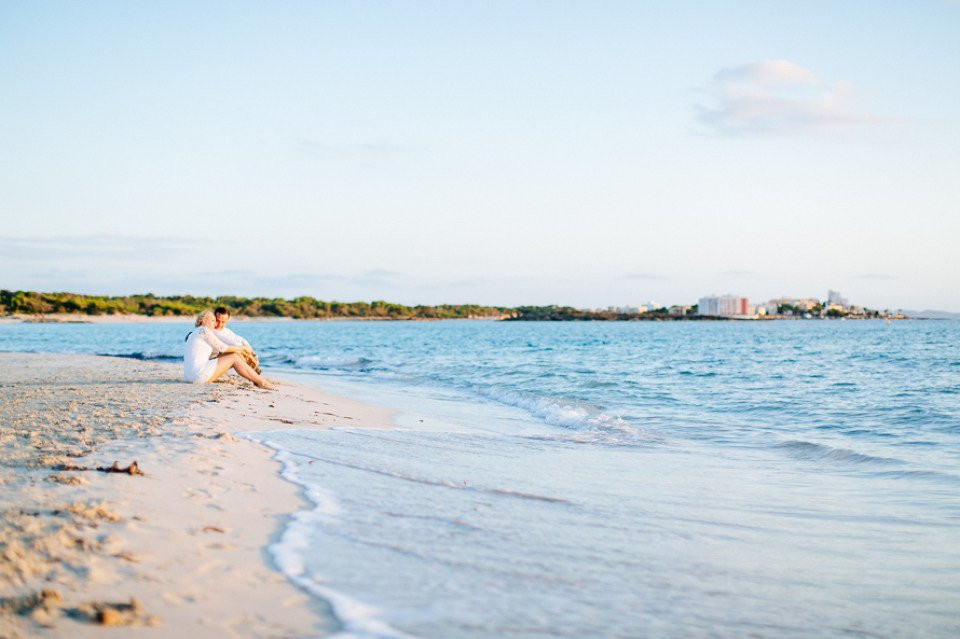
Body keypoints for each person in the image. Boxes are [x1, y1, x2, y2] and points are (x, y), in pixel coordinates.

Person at [184, 310, 276, 389]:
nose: (215, 324)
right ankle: (262, 382)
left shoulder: (194, 333)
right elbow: (222, 348)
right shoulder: (204, 330)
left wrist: (248, 355)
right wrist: (244, 348)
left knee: (233, 355)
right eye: (213, 320)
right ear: (204, 321)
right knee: (234, 357)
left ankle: (255, 379)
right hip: (198, 376)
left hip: (190, 377)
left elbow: (223, 350)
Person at [213, 306, 261, 374]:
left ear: (227, 320)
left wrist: (254, 355)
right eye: (217, 321)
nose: (219, 325)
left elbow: (242, 340)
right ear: (213, 318)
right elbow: (234, 344)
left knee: (239, 351)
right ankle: (252, 373)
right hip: (211, 362)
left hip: (220, 360)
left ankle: (252, 371)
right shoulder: (212, 330)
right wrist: (250, 356)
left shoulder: (227, 331)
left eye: (223, 322)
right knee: (236, 352)